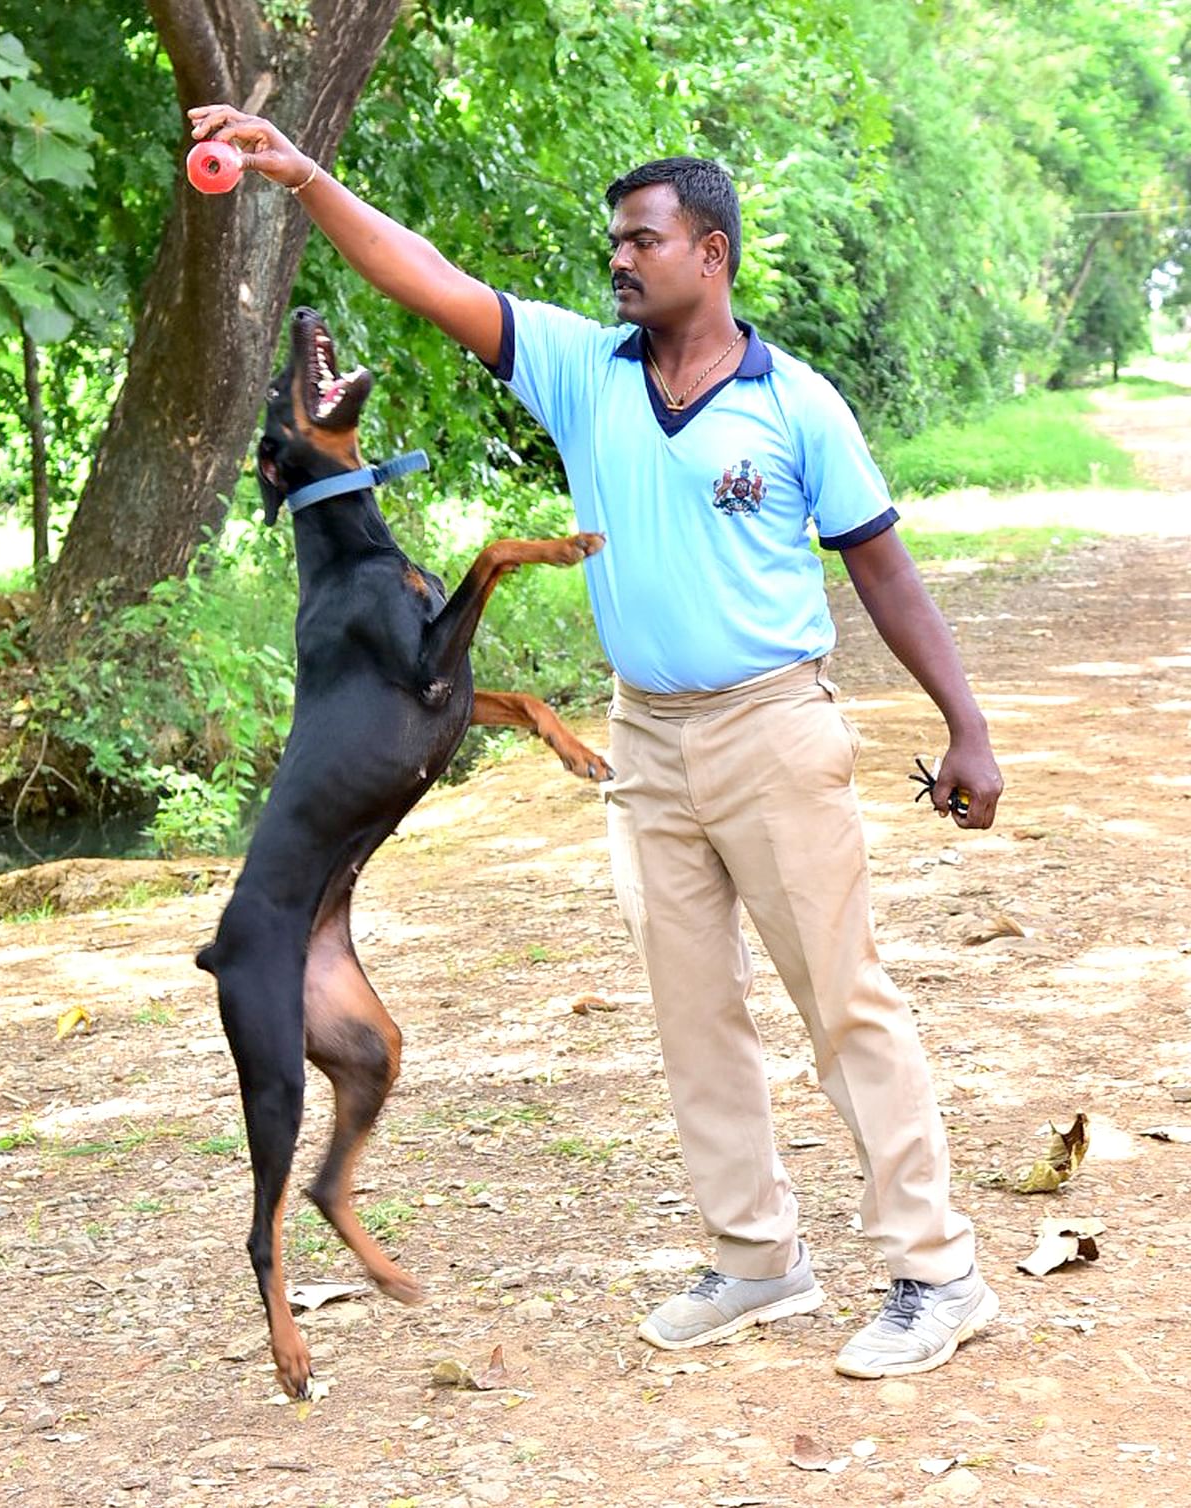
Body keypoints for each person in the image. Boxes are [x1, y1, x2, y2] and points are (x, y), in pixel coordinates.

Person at [187, 104, 1005, 1378]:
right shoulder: (583, 367)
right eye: (614, 241)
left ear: (712, 254)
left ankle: (935, 1269)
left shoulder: (796, 404)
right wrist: (302, 178)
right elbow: (428, 277)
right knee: (694, 1016)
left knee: (843, 1002)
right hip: (647, 740)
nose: (619, 260)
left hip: (773, 727)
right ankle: (755, 1258)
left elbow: (886, 572)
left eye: (644, 239)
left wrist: (968, 725)